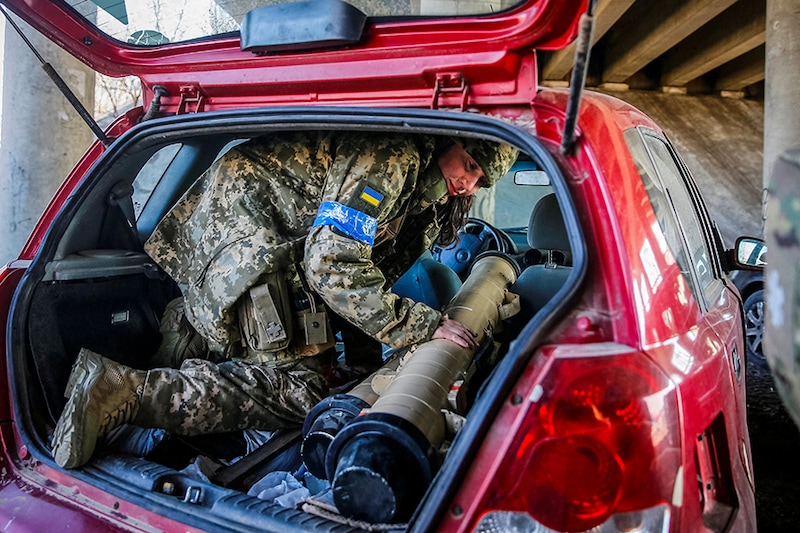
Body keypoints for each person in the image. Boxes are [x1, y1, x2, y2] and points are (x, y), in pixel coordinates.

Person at [51, 130, 519, 469]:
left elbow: (368, 272)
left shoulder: (423, 194)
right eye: (470, 165)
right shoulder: (394, 156)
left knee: (272, 340)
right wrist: (420, 326)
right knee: (304, 392)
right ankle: (125, 392)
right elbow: (331, 263)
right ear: (446, 140)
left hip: (234, 239)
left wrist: (360, 359)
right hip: (251, 243)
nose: (469, 184)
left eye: (481, 179)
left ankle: (187, 340)